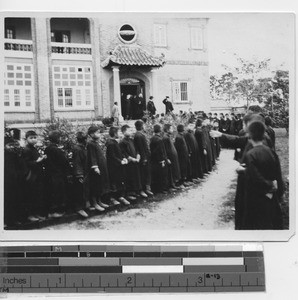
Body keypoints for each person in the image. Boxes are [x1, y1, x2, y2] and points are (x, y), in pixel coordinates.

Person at [241, 121, 284, 229]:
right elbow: (278, 174)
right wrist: (277, 189)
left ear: (249, 135)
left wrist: (269, 185)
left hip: (256, 197)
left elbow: (255, 177)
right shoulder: (270, 151)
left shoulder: (250, 154)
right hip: (271, 197)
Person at [44, 130, 71, 218]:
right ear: (57, 139)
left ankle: (51, 211)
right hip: (57, 174)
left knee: (52, 192)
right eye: (59, 137)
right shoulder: (56, 150)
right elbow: (64, 162)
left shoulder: (47, 148)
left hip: (50, 174)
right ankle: (55, 211)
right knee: (58, 192)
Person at [23, 130, 47, 222]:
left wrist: (42, 159)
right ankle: (30, 215)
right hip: (31, 176)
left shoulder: (33, 148)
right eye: (31, 138)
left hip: (37, 176)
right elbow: (26, 163)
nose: (33, 139)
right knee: (31, 195)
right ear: (26, 139)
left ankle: (36, 213)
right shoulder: (26, 150)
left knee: (37, 195)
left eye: (35, 137)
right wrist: (38, 161)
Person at [119, 125, 147, 200]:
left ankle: (139, 191)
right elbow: (123, 153)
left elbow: (137, 149)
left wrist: (138, 155)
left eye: (131, 130)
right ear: (124, 132)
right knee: (130, 178)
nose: (131, 132)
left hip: (136, 161)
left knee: (138, 177)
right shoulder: (122, 142)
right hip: (129, 163)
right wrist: (131, 159)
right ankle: (130, 193)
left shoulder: (132, 140)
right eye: (129, 130)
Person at [86, 126, 110, 212]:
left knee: (100, 185)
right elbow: (92, 157)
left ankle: (99, 201)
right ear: (91, 134)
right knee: (95, 186)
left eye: (99, 132)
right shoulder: (90, 144)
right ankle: (95, 203)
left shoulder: (96, 143)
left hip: (101, 167)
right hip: (95, 169)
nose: (99, 134)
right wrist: (95, 166)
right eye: (97, 132)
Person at [106, 127, 130, 205]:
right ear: (115, 133)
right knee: (113, 183)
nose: (119, 134)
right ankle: (112, 198)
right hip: (113, 167)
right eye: (118, 132)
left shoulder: (115, 142)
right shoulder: (110, 143)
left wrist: (124, 158)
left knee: (119, 181)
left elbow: (119, 153)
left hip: (118, 166)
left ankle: (120, 197)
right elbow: (112, 156)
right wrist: (120, 161)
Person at [134, 120, 153, 196]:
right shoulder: (138, 135)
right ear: (141, 126)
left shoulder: (141, 134)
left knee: (147, 173)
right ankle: (143, 190)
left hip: (146, 157)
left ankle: (147, 189)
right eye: (143, 125)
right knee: (143, 174)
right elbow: (141, 148)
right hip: (143, 158)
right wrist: (144, 158)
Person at [72, 132, 89, 218]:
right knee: (79, 191)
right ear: (84, 140)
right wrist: (79, 175)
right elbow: (77, 163)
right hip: (80, 174)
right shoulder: (77, 149)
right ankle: (79, 208)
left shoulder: (82, 148)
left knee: (84, 190)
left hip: (85, 172)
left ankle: (84, 206)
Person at [150, 124, 169, 193]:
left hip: (154, 160)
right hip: (160, 160)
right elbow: (161, 151)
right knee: (162, 175)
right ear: (160, 130)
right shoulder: (159, 139)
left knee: (157, 175)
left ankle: (157, 189)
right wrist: (162, 160)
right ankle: (163, 189)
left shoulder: (152, 138)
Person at [162, 123, 182, 189]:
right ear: (167, 130)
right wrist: (167, 158)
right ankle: (172, 184)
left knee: (174, 170)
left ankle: (174, 183)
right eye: (171, 128)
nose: (172, 130)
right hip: (170, 157)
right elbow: (165, 149)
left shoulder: (167, 137)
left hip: (173, 156)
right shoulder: (165, 138)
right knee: (172, 171)